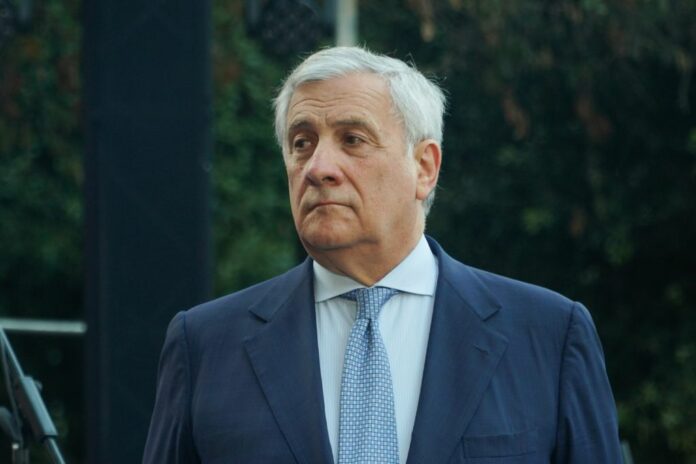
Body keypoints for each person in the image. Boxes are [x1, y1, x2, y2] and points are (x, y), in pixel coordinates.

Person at [143, 46, 623, 464]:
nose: (318, 168)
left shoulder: (548, 336)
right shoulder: (205, 346)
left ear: (424, 167)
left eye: (353, 140)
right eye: (301, 143)